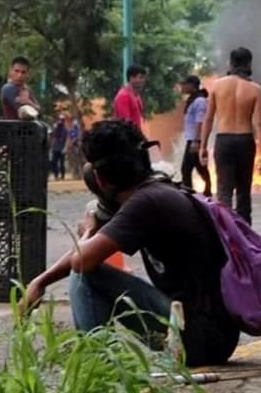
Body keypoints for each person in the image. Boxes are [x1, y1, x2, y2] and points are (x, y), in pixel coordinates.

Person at [20, 120, 239, 367]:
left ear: (101, 180)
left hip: (202, 338)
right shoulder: (154, 190)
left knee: (86, 275)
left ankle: (95, 366)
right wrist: (41, 281)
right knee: (87, 269)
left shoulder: (146, 203)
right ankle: (98, 359)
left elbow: (82, 260)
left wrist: (90, 227)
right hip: (207, 333)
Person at [199, 48, 261, 225]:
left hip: (224, 141)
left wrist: (202, 147)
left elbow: (208, 119)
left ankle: (226, 234)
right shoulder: (256, 89)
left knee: (224, 191)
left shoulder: (216, 86)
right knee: (244, 192)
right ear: (249, 64)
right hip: (245, 141)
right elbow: (260, 124)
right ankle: (245, 235)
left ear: (230, 63)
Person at [180, 75, 212, 196]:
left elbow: (200, 121)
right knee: (195, 168)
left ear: (192, 86)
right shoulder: (193, 99)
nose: (182, 87)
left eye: (184, 84)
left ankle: (193, 193)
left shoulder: (199, 100)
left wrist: (195, 141)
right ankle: (201, 191)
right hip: (192, 140)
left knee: (190, 169)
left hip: (195, 140)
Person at [113, 64, 147, 130]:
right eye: (141, 77)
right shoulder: (123, 96)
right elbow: (125, 124)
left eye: (143, 78)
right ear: (131, 78)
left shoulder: (136, 95)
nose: (143, 80)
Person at [50, 115, 69, 180]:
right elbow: (53, 137)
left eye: (62, 120)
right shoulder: (55, 128)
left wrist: (65, 148)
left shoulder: (65, 129)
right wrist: (52, 147)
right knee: (54, 162)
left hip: (62, 148)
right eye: (59, 119)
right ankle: (56, 175)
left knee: (62, 163)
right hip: (55, 148)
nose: (60, 121)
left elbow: (67, 139)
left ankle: (62, 176)